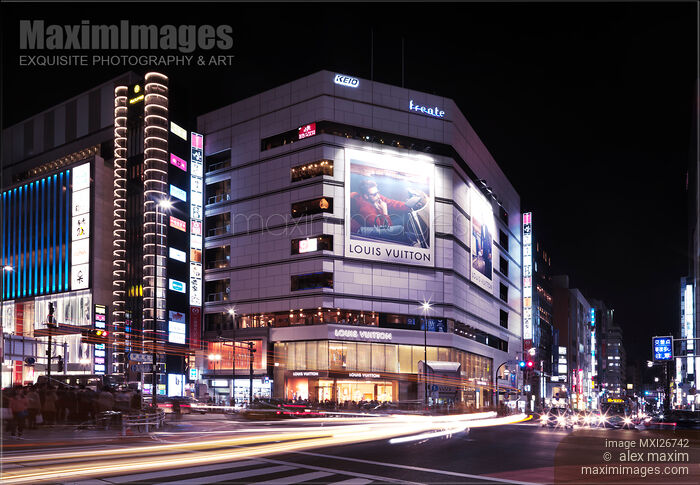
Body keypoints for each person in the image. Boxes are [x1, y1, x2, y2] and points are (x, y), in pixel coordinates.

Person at [350, 178, 427, 244]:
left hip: (383, 221)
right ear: (366, 196)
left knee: (406, 216)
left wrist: (408, 205)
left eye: (378, 192)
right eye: (374, 194)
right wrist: (384, 211)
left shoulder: (375, 197)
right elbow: (386, 230)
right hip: (380, 229)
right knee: (402, 227)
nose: (378, 196)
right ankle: (415, 238)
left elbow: (391, 203)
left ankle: (414, 236)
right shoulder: (366, 210)